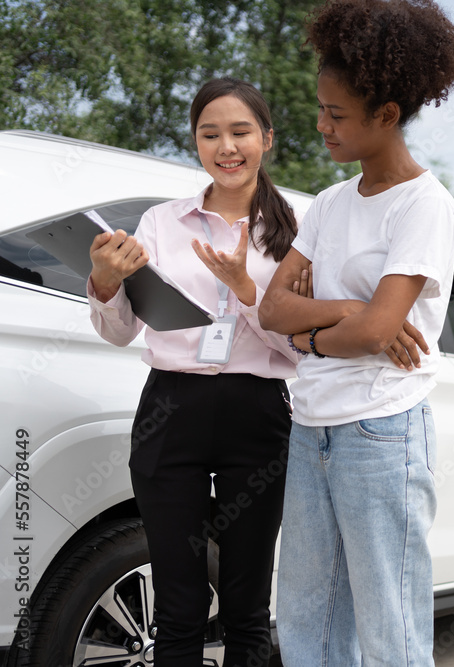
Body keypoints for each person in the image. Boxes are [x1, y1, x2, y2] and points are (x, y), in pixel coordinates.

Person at [257, 1, 454, 663]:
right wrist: (351, 315)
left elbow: (384, 328)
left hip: (383, 428)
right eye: (321, 109)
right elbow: (271, 310)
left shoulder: (425, 205)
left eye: (337, 114)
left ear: (386, 116)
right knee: (305, 615)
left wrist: (317, 331)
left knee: (389, 626)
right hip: (313, 420)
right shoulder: (328, 204)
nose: (322, 125)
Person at [88, 77, 299, 665]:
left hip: (257, 416)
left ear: (267, 139)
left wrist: (247, 291)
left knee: (246, 609)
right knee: (177, 605)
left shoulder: (294, 237)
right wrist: (106, 283)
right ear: (196, 143)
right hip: (169, 411)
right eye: (210, 134)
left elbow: (304, 350)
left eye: (240, 132)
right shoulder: (161, 223)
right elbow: (119, 331)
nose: (226, 146)